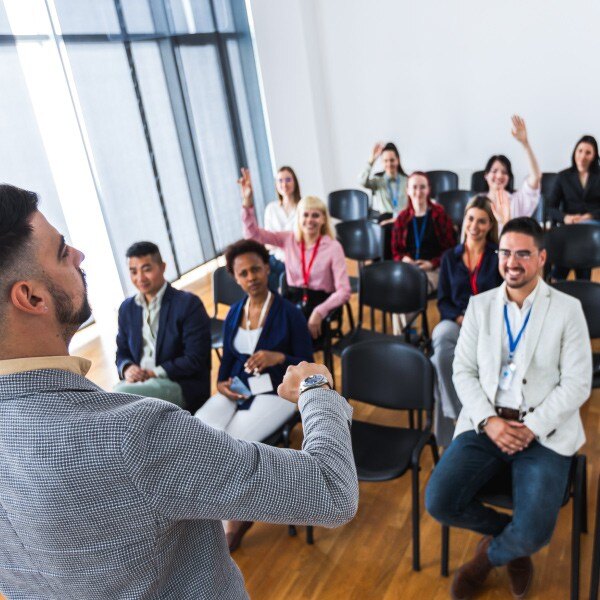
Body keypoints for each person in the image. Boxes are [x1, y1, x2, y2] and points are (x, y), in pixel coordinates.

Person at [0, 183, 359, 599]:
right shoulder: (133, 435)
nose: (79, 255)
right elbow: (331, 490)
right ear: (30, 296)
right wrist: (316, 387)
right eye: (62, 251)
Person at [426, 217, 592, 600]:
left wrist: (531, 426)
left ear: (542, 257)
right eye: (505, 252)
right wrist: (489, 421)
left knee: (536, 532)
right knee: (439, 501)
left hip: (544, 432)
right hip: (487, 423)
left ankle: (487, 559)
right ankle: (509, 540)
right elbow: (462, 370)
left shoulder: (567, 309)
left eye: (523, 253)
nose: (512, 261)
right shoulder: (480, 305)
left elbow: (577, 383)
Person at [195, 239, 314, 551]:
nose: (252, 278)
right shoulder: (235, 312)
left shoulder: (290, 313)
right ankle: (213, 511)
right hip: (240, 388)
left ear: (267, 269)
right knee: (200, 430)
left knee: (232, 445)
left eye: (256, 270)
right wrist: (221, 384)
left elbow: (309, 366)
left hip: (278, 391)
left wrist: (278, 358)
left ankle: (234, 519)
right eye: (244, 273)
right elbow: (230, 358)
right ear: (235, 278)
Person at [239, 168, 351, 340]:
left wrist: (319, 313)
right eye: (305, 215)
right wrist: (247, 202)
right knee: (267, 334)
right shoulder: (288, 239)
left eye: (316, 215)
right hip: (292, 301)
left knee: (288, 341)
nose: (310, 220)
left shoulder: (333, 247)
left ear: (323, 220)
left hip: (319, 303)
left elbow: (344, 291)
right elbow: (253, 236)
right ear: (298, 218)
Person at [431, 195, 502, 446]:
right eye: (470, 219)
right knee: (440, 341)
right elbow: (443, 301)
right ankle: (457, 412)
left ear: (490, 226)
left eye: (482, 221)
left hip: (489, 327)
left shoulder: (497, 257)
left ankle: (464, 420)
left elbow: (503, 298)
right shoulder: (451, 257)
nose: (474, 226)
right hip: (458, 321)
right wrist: (459, 318)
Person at [114, 241, 211, 413]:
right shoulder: (127, 308)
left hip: (178, 383)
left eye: (147, 269)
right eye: (133, 271)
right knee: (115, 399)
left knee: (120, 397)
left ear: (163, 267)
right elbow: (122, 352)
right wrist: (127, 368)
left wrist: (153, 373)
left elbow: (195, 359)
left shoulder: (188, 304)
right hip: (139, 383)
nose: (140, 278)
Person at [391, 171, 456, 292]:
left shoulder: (440, 215)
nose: (418, 192)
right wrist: (404, 259)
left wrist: (432, 263)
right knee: (397, 290)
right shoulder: (402, 218)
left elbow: (450, 250)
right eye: (414, 187)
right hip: (407, 269)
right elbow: (396, 251)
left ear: (428, 190)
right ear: (408, 190)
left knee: (411, 291)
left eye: (422, 187)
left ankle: (400, 311)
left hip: (434, 269)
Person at [547, 134, 600, 280]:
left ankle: (558, 276)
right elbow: (550, 207)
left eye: (588, 152)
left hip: (594, 226)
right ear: (575, 152)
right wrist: (566, 217)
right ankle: (583, 282)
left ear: (594, 156)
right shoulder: (563, 176)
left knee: (582, 234)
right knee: (577, 240)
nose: (583, 156)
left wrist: (590, 216)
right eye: (580, 151)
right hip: (570, 226)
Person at [481, 115, 542, 230]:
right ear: (486, 175)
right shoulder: (478, 202)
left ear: (509, 177)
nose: (499, 176)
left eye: (504, 172)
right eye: (494, 171)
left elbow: (536, 176)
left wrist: (525, 143)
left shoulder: (517, 200)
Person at [264, 166, 302, 291]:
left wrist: (277, 239)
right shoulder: (271, 209)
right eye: (280, 181)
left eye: (288, 180)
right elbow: (267, 243)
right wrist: (287, 239)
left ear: (294, 182)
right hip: (274, 260)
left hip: (296, 261)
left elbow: (302, 239)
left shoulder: (303, 207)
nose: (284, 184)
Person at [359, 141, 409, 221]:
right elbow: (361, 181)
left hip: (402, 219)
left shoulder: (407, 180)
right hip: (385, 219)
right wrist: (372, 160)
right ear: (382, 162)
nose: (389, 164)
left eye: (392, 160)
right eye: (385, 161)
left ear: (398, 160)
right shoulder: (378, 180)